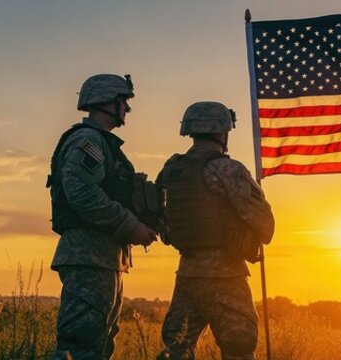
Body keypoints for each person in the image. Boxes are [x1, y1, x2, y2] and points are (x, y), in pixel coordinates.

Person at [47, 73, 158, 359]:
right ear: (108, 102)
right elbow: (81, 192)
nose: (127, 110)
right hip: (89, 257)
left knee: (99, 345)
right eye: (124, 102)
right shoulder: (88, 140)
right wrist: (129, 225)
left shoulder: (103, 144)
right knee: (80, 347)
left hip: (104, 258)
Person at [156, 101, 275, 360]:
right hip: (226, 276)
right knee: (239, 347)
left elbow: (159, 214)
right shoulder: (227, 169)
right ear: (223, 131)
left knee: (176, 348)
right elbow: (264, 224)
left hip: (187, 274)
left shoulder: (172, 169)